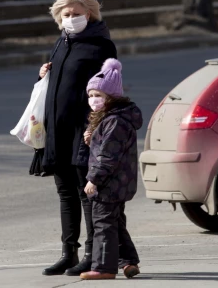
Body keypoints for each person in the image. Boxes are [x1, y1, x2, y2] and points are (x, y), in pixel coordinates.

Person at [38, 0, 117, 276]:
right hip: (58, 130)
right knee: (65, 192)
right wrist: (45, 72)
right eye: (66, 14)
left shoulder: (102, 46)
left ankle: (91, 254)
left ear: (90, 14)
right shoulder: (61, 43)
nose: (71, 18)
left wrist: (94, 126)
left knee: (87, 193)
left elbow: (109, 91)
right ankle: (67, 252)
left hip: (84, 130)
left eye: (77, 14)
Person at [80, 58, 142, 280]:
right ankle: (128, 262)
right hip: (119, 182)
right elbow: (107, 147)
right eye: (91, 95)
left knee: (103, 224)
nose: (93, 100)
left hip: (110, 183)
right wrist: (92, 138)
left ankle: (103, 267)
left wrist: (94, 180)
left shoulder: (114, 121)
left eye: (98, 96)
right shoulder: (114, 118)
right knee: (115, 222)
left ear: (112, 97)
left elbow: (108, 156)